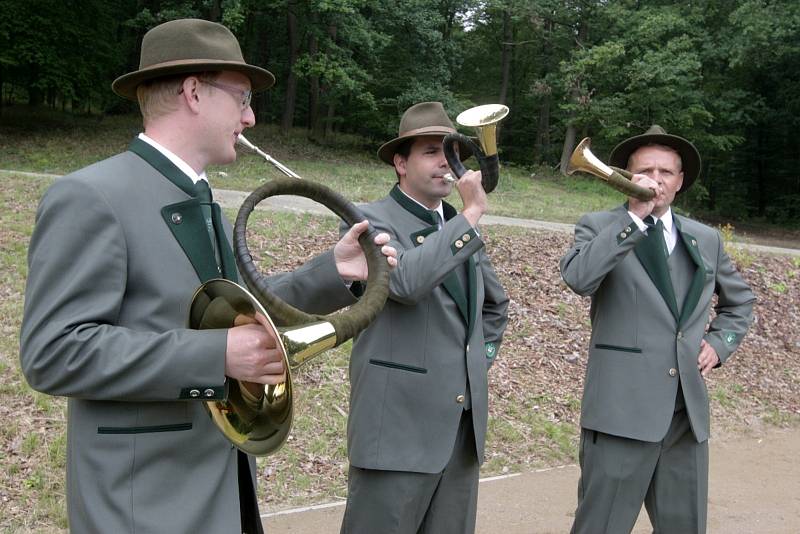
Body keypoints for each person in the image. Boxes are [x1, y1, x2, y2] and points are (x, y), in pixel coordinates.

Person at [19, 18, 395, 534]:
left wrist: (334, 271)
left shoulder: (202, 202)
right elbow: (54, 352)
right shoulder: (90, 196)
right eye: (241, 98)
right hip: (142, 504)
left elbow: (237, 316)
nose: (251, 116)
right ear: (195, 93)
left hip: (214, 486)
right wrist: (216, 356)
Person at [560, 125, 756, 533]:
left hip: (685, 417)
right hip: (620, 414)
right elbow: (579, 278)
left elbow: (741, 302)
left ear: (680, 181)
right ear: (626, 177)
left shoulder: (705, 238)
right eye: (645, 170)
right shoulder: (599, 226)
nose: (656, 179)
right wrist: (634, 218)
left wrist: (721, 344)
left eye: (666, 172)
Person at [338, 101, 510, 533]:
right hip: (396, 430)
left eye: (450, 153)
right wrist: (470, 215)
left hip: (459, 432)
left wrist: (477, 361)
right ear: (400, 161)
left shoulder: (453, 224)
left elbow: (495, 304)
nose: (445, 164)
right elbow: (406, 284)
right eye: (431, 152)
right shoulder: (369, 218)